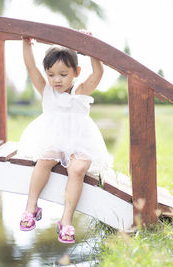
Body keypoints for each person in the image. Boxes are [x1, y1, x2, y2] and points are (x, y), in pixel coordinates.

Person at [18, 34, 111, 244]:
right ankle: (31, 206)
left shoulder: (81, 91)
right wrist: (26, 43)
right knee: (45, 159)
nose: (56, 80)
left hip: (80, 140)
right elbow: (31, 67)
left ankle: (66, 220)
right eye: (51, 74)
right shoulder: (47, 91)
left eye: (63, 74)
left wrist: (90, 46)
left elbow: (98, 72)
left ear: (76, 72)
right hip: (53, 139)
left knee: (77, 169)